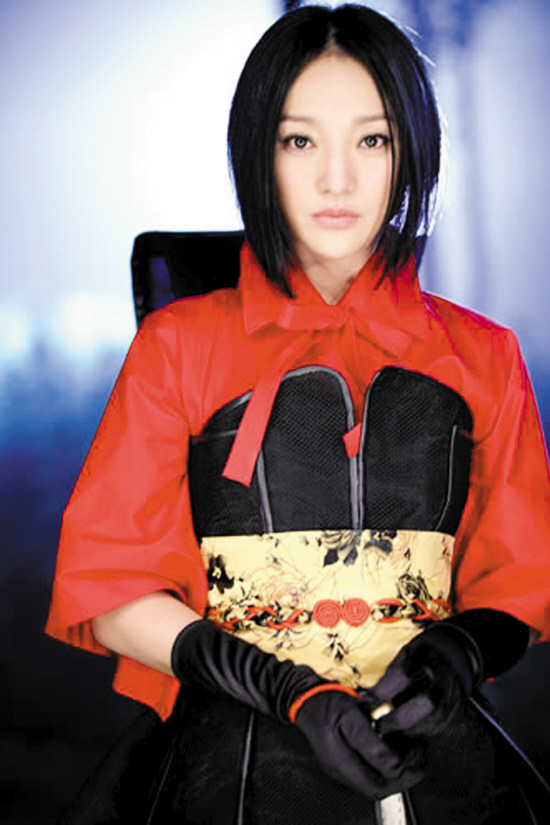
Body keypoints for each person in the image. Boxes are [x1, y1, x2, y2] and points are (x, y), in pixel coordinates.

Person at [46, 5, 550, 824]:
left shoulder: (485, 353)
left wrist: (455, 655)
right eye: (299, 141)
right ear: (259, 151)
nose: (337, 179)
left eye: (373, 140)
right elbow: (114, 594)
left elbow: (520, 583)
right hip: (231, 760)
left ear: (414, 150)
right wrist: (287, 689)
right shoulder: (177, 346)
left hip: (439, 761)